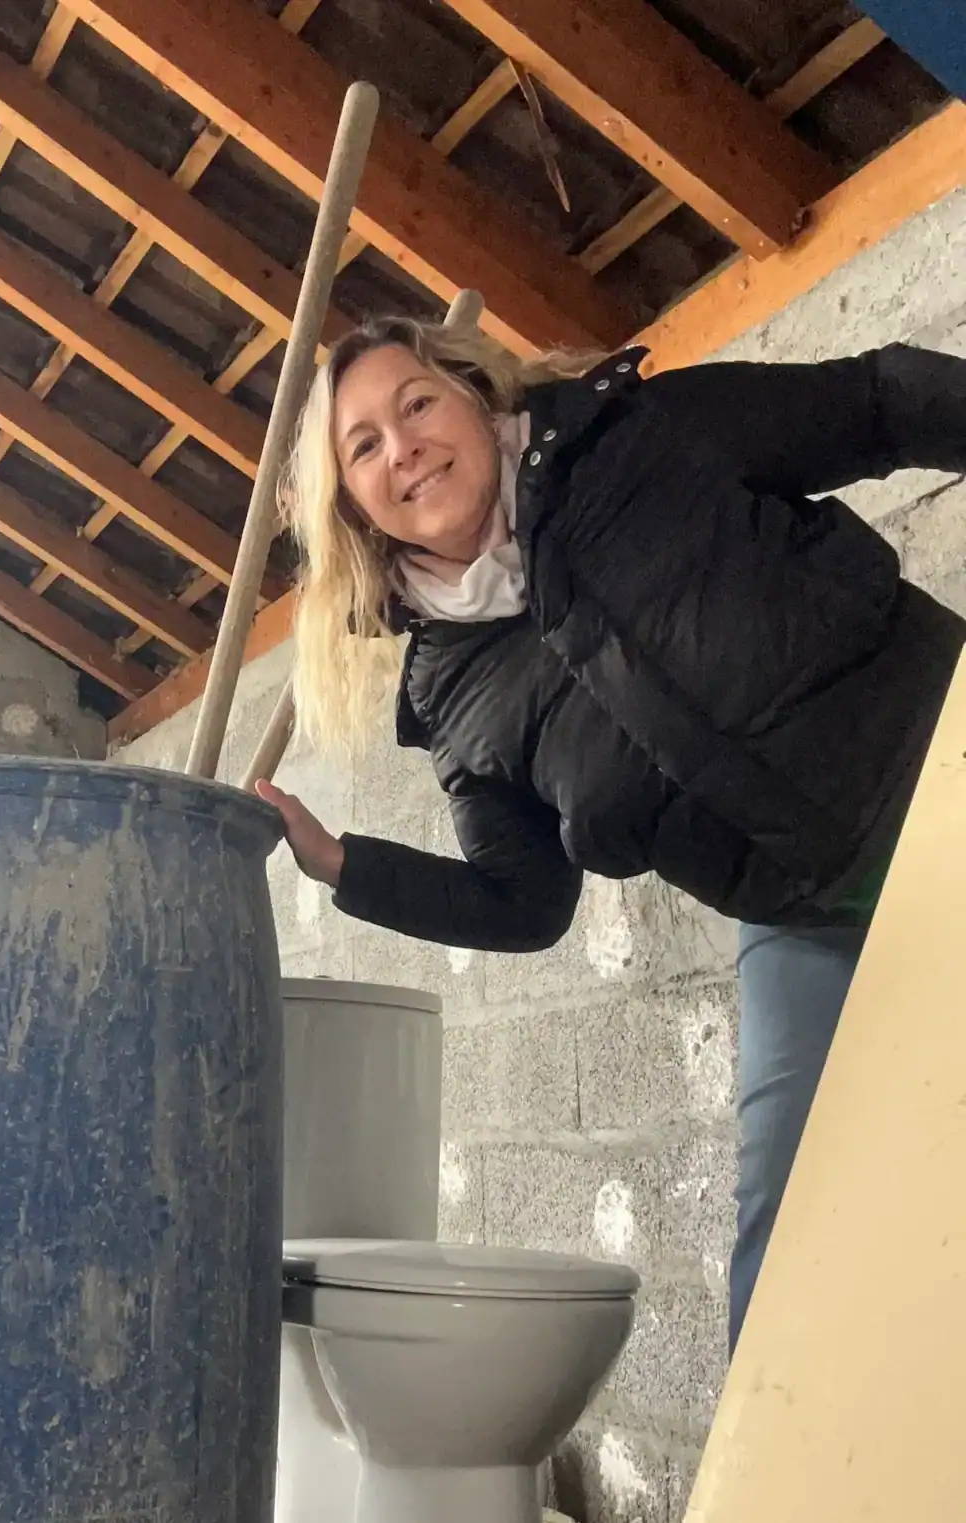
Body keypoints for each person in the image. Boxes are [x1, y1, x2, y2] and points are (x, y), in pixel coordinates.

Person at [254, 314, 966, 1352]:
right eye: (362, 445)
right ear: (352, 506)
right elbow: (523, 900)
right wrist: (340, 864)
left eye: (415, 403)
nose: (401, 445)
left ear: (475, 398)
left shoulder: (636, 436)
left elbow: (876, 403)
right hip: (810, 914)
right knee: (789, 1254)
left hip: (942, 761)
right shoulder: (453, 693)